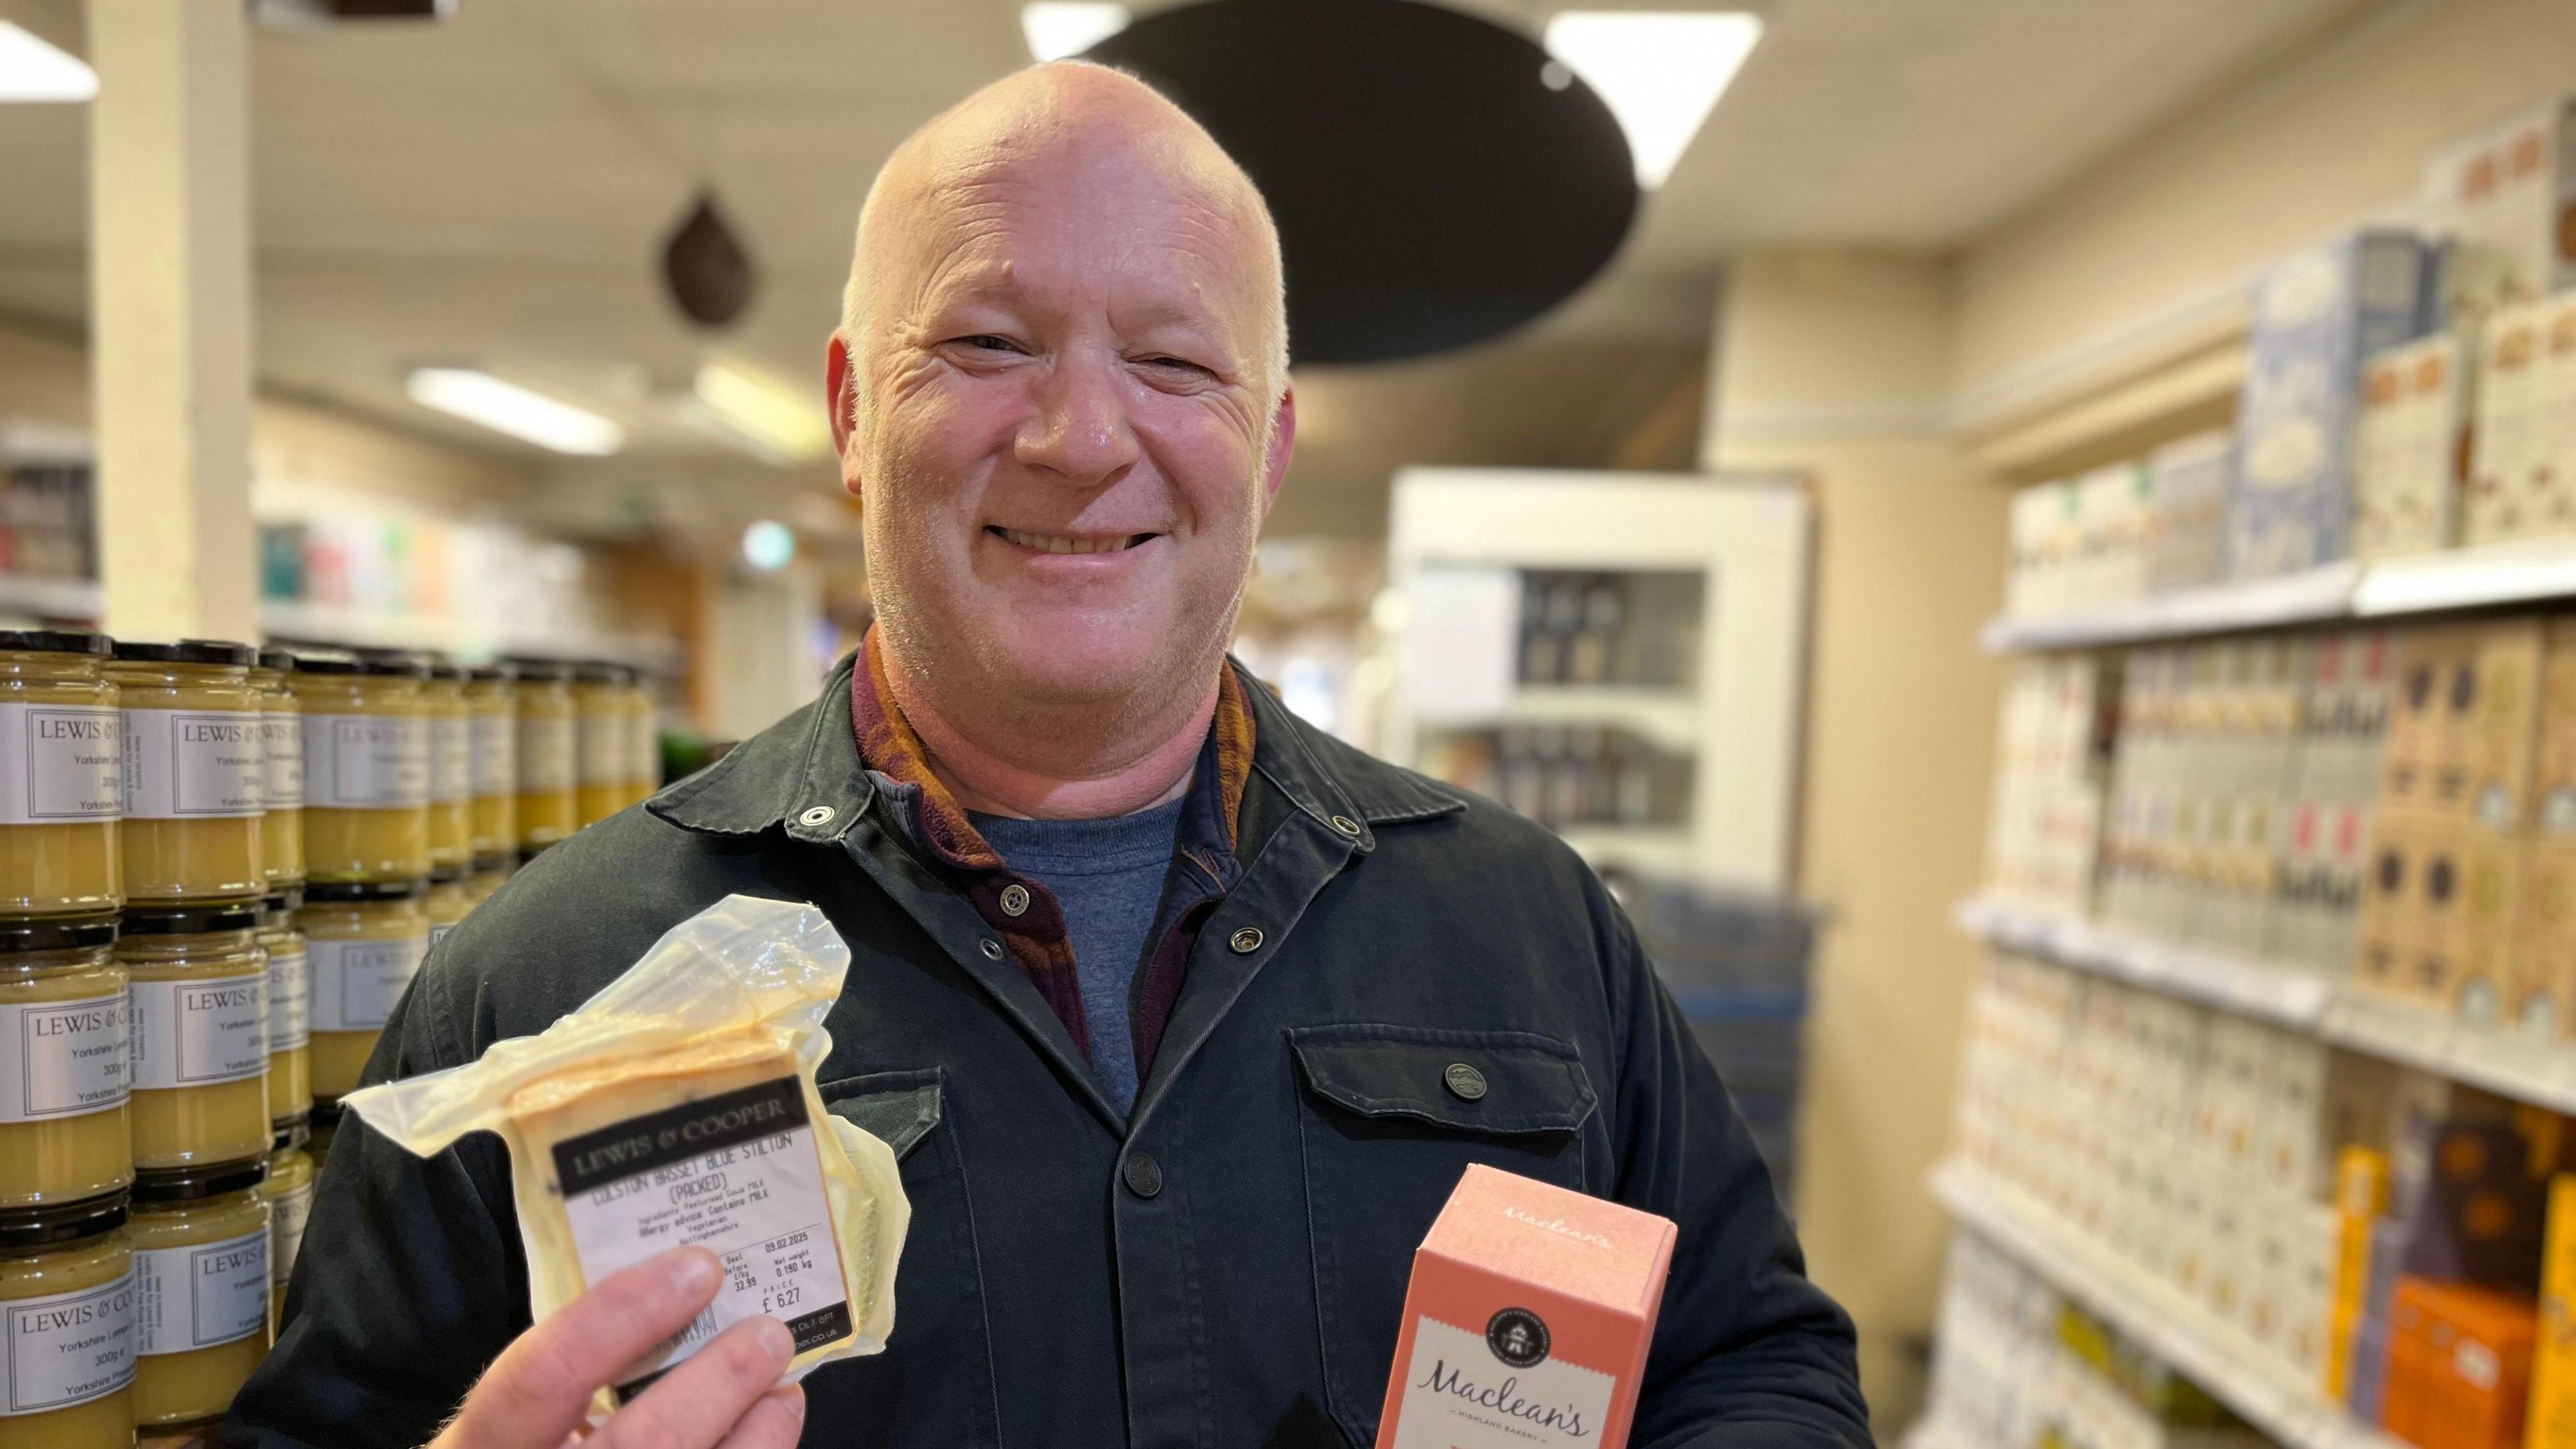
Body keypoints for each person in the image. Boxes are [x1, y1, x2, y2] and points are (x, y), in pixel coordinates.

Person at [227, 62, 1871, 1449]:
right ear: (855, 416)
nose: (1084, 440)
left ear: (1272, 446)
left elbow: (1759, 1362)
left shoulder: (1528, 932)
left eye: (1172, 361)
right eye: (991, 344)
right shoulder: (554, 985)